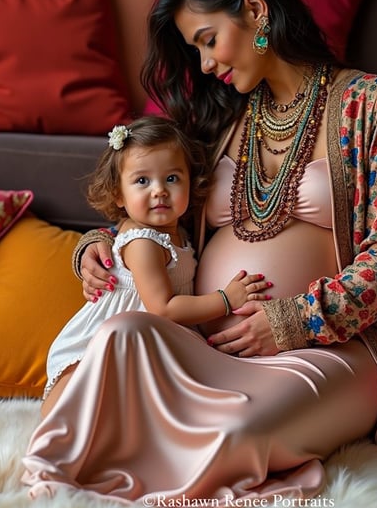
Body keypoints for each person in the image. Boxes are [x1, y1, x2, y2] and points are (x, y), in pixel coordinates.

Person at [21, 0, 377, 508]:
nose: (205, 63)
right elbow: (149, 196)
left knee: (239, 437)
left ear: (256, 11)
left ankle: (148, 468)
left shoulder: (371, 105)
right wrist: (97, 246)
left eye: (208, 40)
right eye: (196, 49)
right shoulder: (218, 116)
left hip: (332, 348)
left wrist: (291, 320)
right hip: (206, 345)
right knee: (120, 334)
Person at [39, 115, 271, 412]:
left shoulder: (176, 235)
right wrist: (225, 300)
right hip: (105, 343)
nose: (159, 190)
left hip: (142, 345)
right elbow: (163, 307)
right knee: (73, 405)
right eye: (142, 181)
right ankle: (50, 436)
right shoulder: (144, 243)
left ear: (191, 181)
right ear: (118, 195)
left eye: (172, 178)